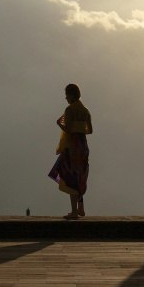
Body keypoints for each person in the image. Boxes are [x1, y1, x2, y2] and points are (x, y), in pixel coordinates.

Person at [48, 83, 92, 219]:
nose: (65, 98)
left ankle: (74, 212)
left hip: (72, 146)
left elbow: (68, 129)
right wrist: (79, 126)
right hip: (83, 146)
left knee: (69, 176)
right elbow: (90, 130)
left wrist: (59, 124)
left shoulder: (69, 110)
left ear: (71, 95)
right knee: (80, 175)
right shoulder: (85, 110)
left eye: (67, 95)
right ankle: (81, 208)